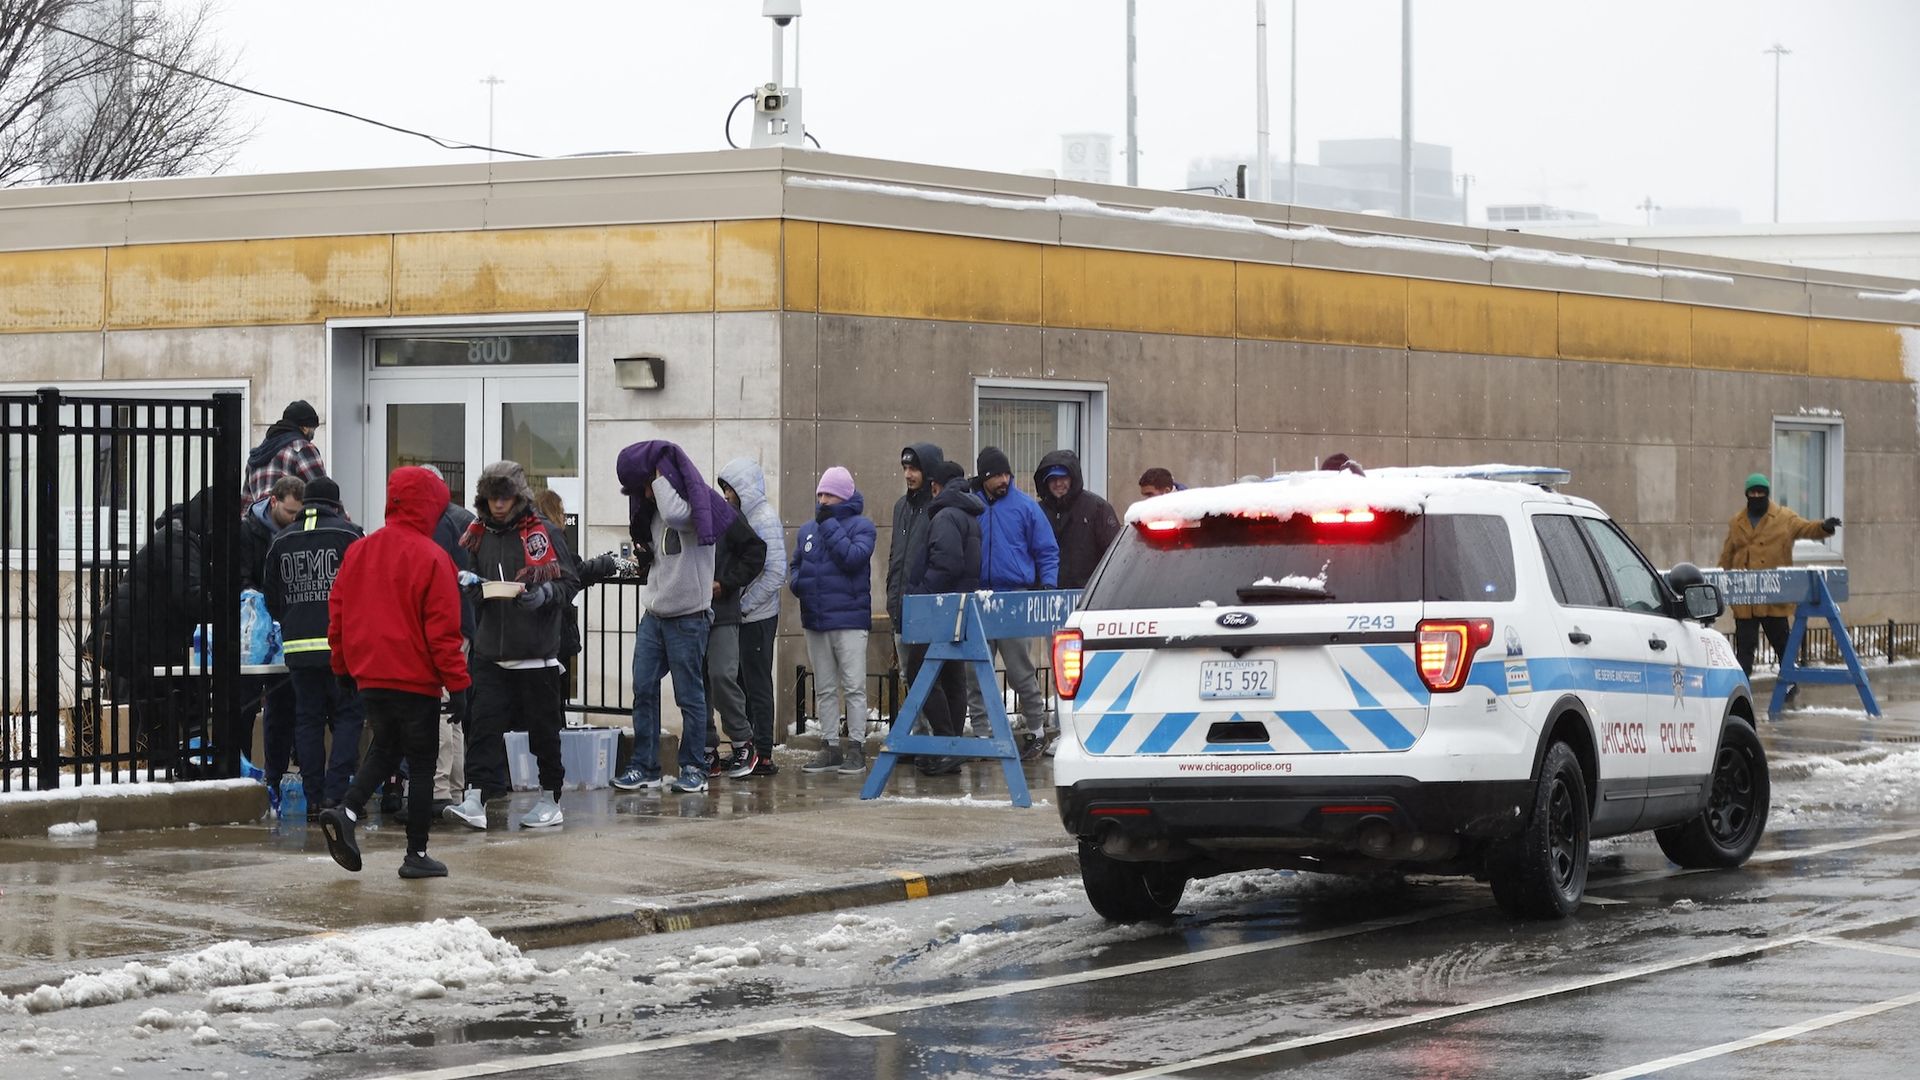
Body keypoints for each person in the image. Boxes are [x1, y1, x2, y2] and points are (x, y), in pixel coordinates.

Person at [316, 466, 471, 880]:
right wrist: (458, 685)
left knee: (385, 747)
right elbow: (443, 632)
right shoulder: (432, 557)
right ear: (429, 506)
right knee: (421, 765)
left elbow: (338, 614)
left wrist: (342, 667)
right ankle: (416, 853)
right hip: (415, 678)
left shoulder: (359, 550)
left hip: (370, 675)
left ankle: (347, 811)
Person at [446, 462, 579, 830]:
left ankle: (550, 797)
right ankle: (475, 798)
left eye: (504, 497)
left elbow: (570, 582)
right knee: (482, 728)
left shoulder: (544, 531)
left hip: (537, 653)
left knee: (543, 732)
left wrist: (544, 593)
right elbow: (476, 578)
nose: (499, 505)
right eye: (492, 498)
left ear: (518, 497)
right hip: (491, 650)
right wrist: (474, 589)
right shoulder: (479, 534)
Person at [611, 440, 736, 795]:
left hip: (689, 617)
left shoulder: (700, 505)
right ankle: (644, 766)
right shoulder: (655, 510)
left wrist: (659, 474)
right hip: (654, 614)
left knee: (689, 697)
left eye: (648, 485)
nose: (646, 494)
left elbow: (677, 517)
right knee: (643, 689)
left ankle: (694, 767)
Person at [88, 491, 213, 774]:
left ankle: (168, 767)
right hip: (137, 643)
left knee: (164, 706)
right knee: (161, 709)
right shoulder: (179, 540)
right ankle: (165, 770)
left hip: (141, 641)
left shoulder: (177, 537)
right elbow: (191, 597)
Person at [262, 476, 365, 817]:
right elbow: (367, 589)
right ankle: (337, 795)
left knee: (307, 720)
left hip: (298, 650)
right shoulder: (350, 535)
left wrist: (292, 621)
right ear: (336, 504)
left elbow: (271, 597)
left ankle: (314, 798)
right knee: (348, 717)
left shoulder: (281, 540)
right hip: (342, 646)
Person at [968, 447, 1060, 759]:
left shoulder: (1025, 507)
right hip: (978, 598)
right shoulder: (970, 505)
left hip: (1014, 597)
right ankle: (982, 734)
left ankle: (1036, 729)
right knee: (975, 672)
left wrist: (1048, 585)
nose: (1004, 480)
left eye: (1006, 474)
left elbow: (1047, 550)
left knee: (1021, 671)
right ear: (984, 477)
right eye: (996, 475)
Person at [791, 467, 877, 775]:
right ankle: (829, 747)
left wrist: (829, 525)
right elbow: (796, 565)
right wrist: (798, 583)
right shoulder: (807, 530)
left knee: (854, 686)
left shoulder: (863, 527)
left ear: (843, 496)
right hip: (816, 619)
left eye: (829, 494)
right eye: (820, 494)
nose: (823, 500)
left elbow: (852, 558)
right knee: (825, 688)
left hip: (850, 620)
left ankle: (856, 747)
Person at [1719, 473, 1841, 682]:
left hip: (1773, 596)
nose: (1756, 496)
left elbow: (1806, 528)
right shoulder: (1736, 522)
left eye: (1760, 492)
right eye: (1752, 493)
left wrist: (1824, 527)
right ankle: (1741, 689)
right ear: (1747, 495)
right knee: (1744, 650)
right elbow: (1727, 556)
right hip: (1746, 600)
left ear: (1767, 494)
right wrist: (1719, 583)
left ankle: (1789, 685)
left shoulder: (1784, 518)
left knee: (1783, 646)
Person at [904, 459, 983, 776]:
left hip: (938, 607)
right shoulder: (967, 513)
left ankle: (946, 743)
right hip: (958, 606)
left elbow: (946, 564)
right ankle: (951, 749)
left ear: (936, 485)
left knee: (919, 672)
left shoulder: (946, 515)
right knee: (952, 676)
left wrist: (922, 593)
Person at [717, 459, 786, 777]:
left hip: (757, 615)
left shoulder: (764, 518)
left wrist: (744, 605)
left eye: (730, 489)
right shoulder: (743, 517)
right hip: (743, 614)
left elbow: (775, 572)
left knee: (757, 684)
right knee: (740, 683)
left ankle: (764, 753)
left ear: (743, 488)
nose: (726, 495)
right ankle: (747, 750)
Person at [237, 476, 303, 803]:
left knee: (282, 707)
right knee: (245, 707)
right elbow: (241, 580)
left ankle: (273, 777)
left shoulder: (298, 531)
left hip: (286, 633)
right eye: (289, 512)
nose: (294, 518)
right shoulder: (247, 531)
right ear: (273, 501)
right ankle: (239, 777)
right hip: (252, 635)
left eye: (298, 513)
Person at [421, 464, 477, 820]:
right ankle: (454, 789)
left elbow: (431, 577)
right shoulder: (459, 519)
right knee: (453, 713)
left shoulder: (438, 524)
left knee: (441, 706)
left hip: (446, 624)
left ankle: (439, 789)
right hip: (462, 622)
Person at [703, 497, 769, 778]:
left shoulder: (721, 511)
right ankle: (707, 747)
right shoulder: (674, 514)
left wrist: (727, 583)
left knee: (721, 676)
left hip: (722, 611)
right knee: (696, 683)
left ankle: (743, 740)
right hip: (689, 612)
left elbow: (756, 551)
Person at [887, 443, 948, 668]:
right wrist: (892, 595)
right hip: (900, 610)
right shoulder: (900, 507)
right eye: (905, 468)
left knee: (929, 678)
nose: (907, 475)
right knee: (907, 676)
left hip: (927, 611)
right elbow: (895, 555)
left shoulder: (940, 508)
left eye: (913, 469)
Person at [1034, 449, 1120, 591]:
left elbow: (1114, 555)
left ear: (1073, 479)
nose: (1058, 484)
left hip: (1088, 594)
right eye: (1053, 479)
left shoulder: (1097, 508)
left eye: (1063, 478)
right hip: (1046, 594)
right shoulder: (1037, 512)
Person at [244, 401, 328, 504]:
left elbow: (245, 503)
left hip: (259, 513)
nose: (313, 435)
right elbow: (323, 491)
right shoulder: (301, 448)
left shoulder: (257, 455)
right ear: (305, 428)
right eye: (313, 429)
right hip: (290, 513)